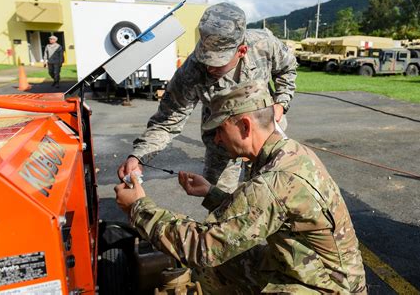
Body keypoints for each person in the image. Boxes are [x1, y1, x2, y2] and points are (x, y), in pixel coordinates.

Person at [114, 83, 367, 294]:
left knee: (209, 260)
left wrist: (138, 208)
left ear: (245, 126)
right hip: (317, 272)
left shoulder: (273, 182)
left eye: (221, 129)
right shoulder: (290, 152)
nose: (217, 139)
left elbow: (205, 247)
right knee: (220, 267)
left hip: (328, 289)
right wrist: (211, 194)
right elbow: (261, 213)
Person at [117, 2, 297, 192]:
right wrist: (138, 156)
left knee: (268, 196)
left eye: (217, 62)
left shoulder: (264, 45)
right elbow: (166, 122)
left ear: (241, 51)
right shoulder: (192, 71)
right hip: (221, 144)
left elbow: (288, 68)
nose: (208, 67)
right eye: (205, 57)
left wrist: (281, 102)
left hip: (265, 137)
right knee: (217, 200)